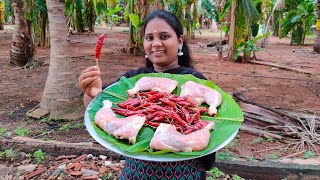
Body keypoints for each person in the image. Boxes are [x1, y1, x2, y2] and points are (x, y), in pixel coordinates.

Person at [79, 9, 215, 179]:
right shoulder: (132, 80)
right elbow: (101, 112)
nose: (156, 43)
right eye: (149, 38)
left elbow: (209, 123)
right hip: (138, 172)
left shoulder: (194, 81)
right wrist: (92, 94)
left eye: (164, 37)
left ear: (180, 41)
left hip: (184, 172)